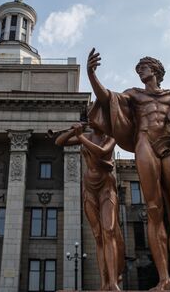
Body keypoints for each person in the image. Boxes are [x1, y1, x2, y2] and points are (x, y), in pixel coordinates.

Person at [87, 48, 170, 291]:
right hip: (145, 143)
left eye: (143, 68)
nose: (139, 72)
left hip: (169, 147)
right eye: (138, 70)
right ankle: (164, 279)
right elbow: (106, 99)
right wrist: (92, 74)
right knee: (154, 210)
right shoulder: (133, 95)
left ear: (155, 70)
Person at [55, 122, 125, 290]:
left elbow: (101, 152)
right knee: (98, 236)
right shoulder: (85, 136)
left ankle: (114, 282)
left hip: (106, 186)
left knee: (108, 231)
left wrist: (79, 137)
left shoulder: (110, 137)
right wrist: (73, 131)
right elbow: (59, 142)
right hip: (89, 187)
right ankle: (104, 283)